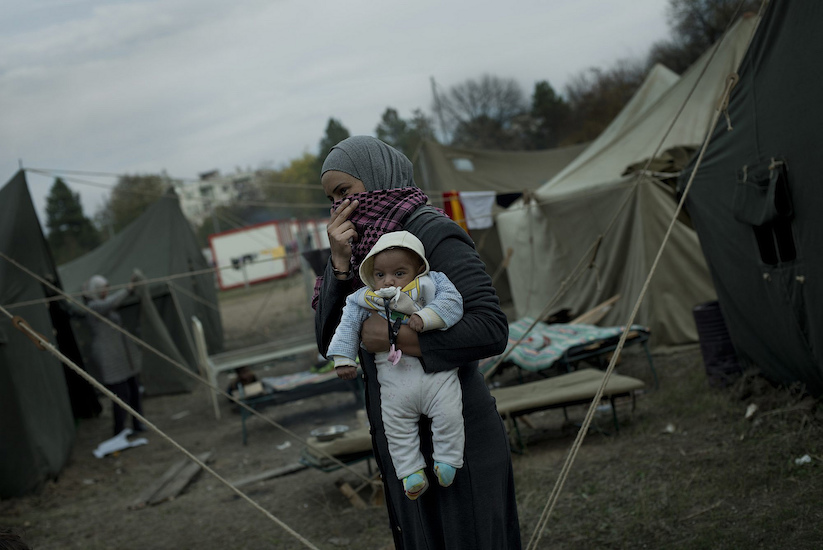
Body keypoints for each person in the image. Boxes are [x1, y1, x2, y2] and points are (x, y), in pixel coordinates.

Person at [314, 136, 521, 549]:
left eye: (344, 192)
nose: (338, 207)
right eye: (331, 198)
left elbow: (490, 326)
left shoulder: (432, 230)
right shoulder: (356, 251)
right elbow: (330, 341)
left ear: (377, 178)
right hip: (401, 439)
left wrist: (399, 337)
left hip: (457, 434)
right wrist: (338, 265)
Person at [326, 230, 465, 500]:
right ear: (370, 275)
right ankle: (411, 472)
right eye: (380, 275)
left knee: (449, 414)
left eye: (399, 273)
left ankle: (447, 461)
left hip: (436, 377)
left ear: (418, 269)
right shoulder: (364, 299)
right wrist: (344, 358)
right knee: (396, 425)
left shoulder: (431, 285)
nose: (388, 280)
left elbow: (452, 302)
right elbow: (348, 325)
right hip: (394, 382)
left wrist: (427, 317)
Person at [85, 273, 145, 437]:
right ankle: (119, 430)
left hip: (122, 357)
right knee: (120, 395)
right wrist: (128, 289)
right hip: (109, 359)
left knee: (134, 389)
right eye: (103, 289)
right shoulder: (93, 307)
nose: (106, 291)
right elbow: (110, 304)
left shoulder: (101, 304)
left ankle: (137, 422)